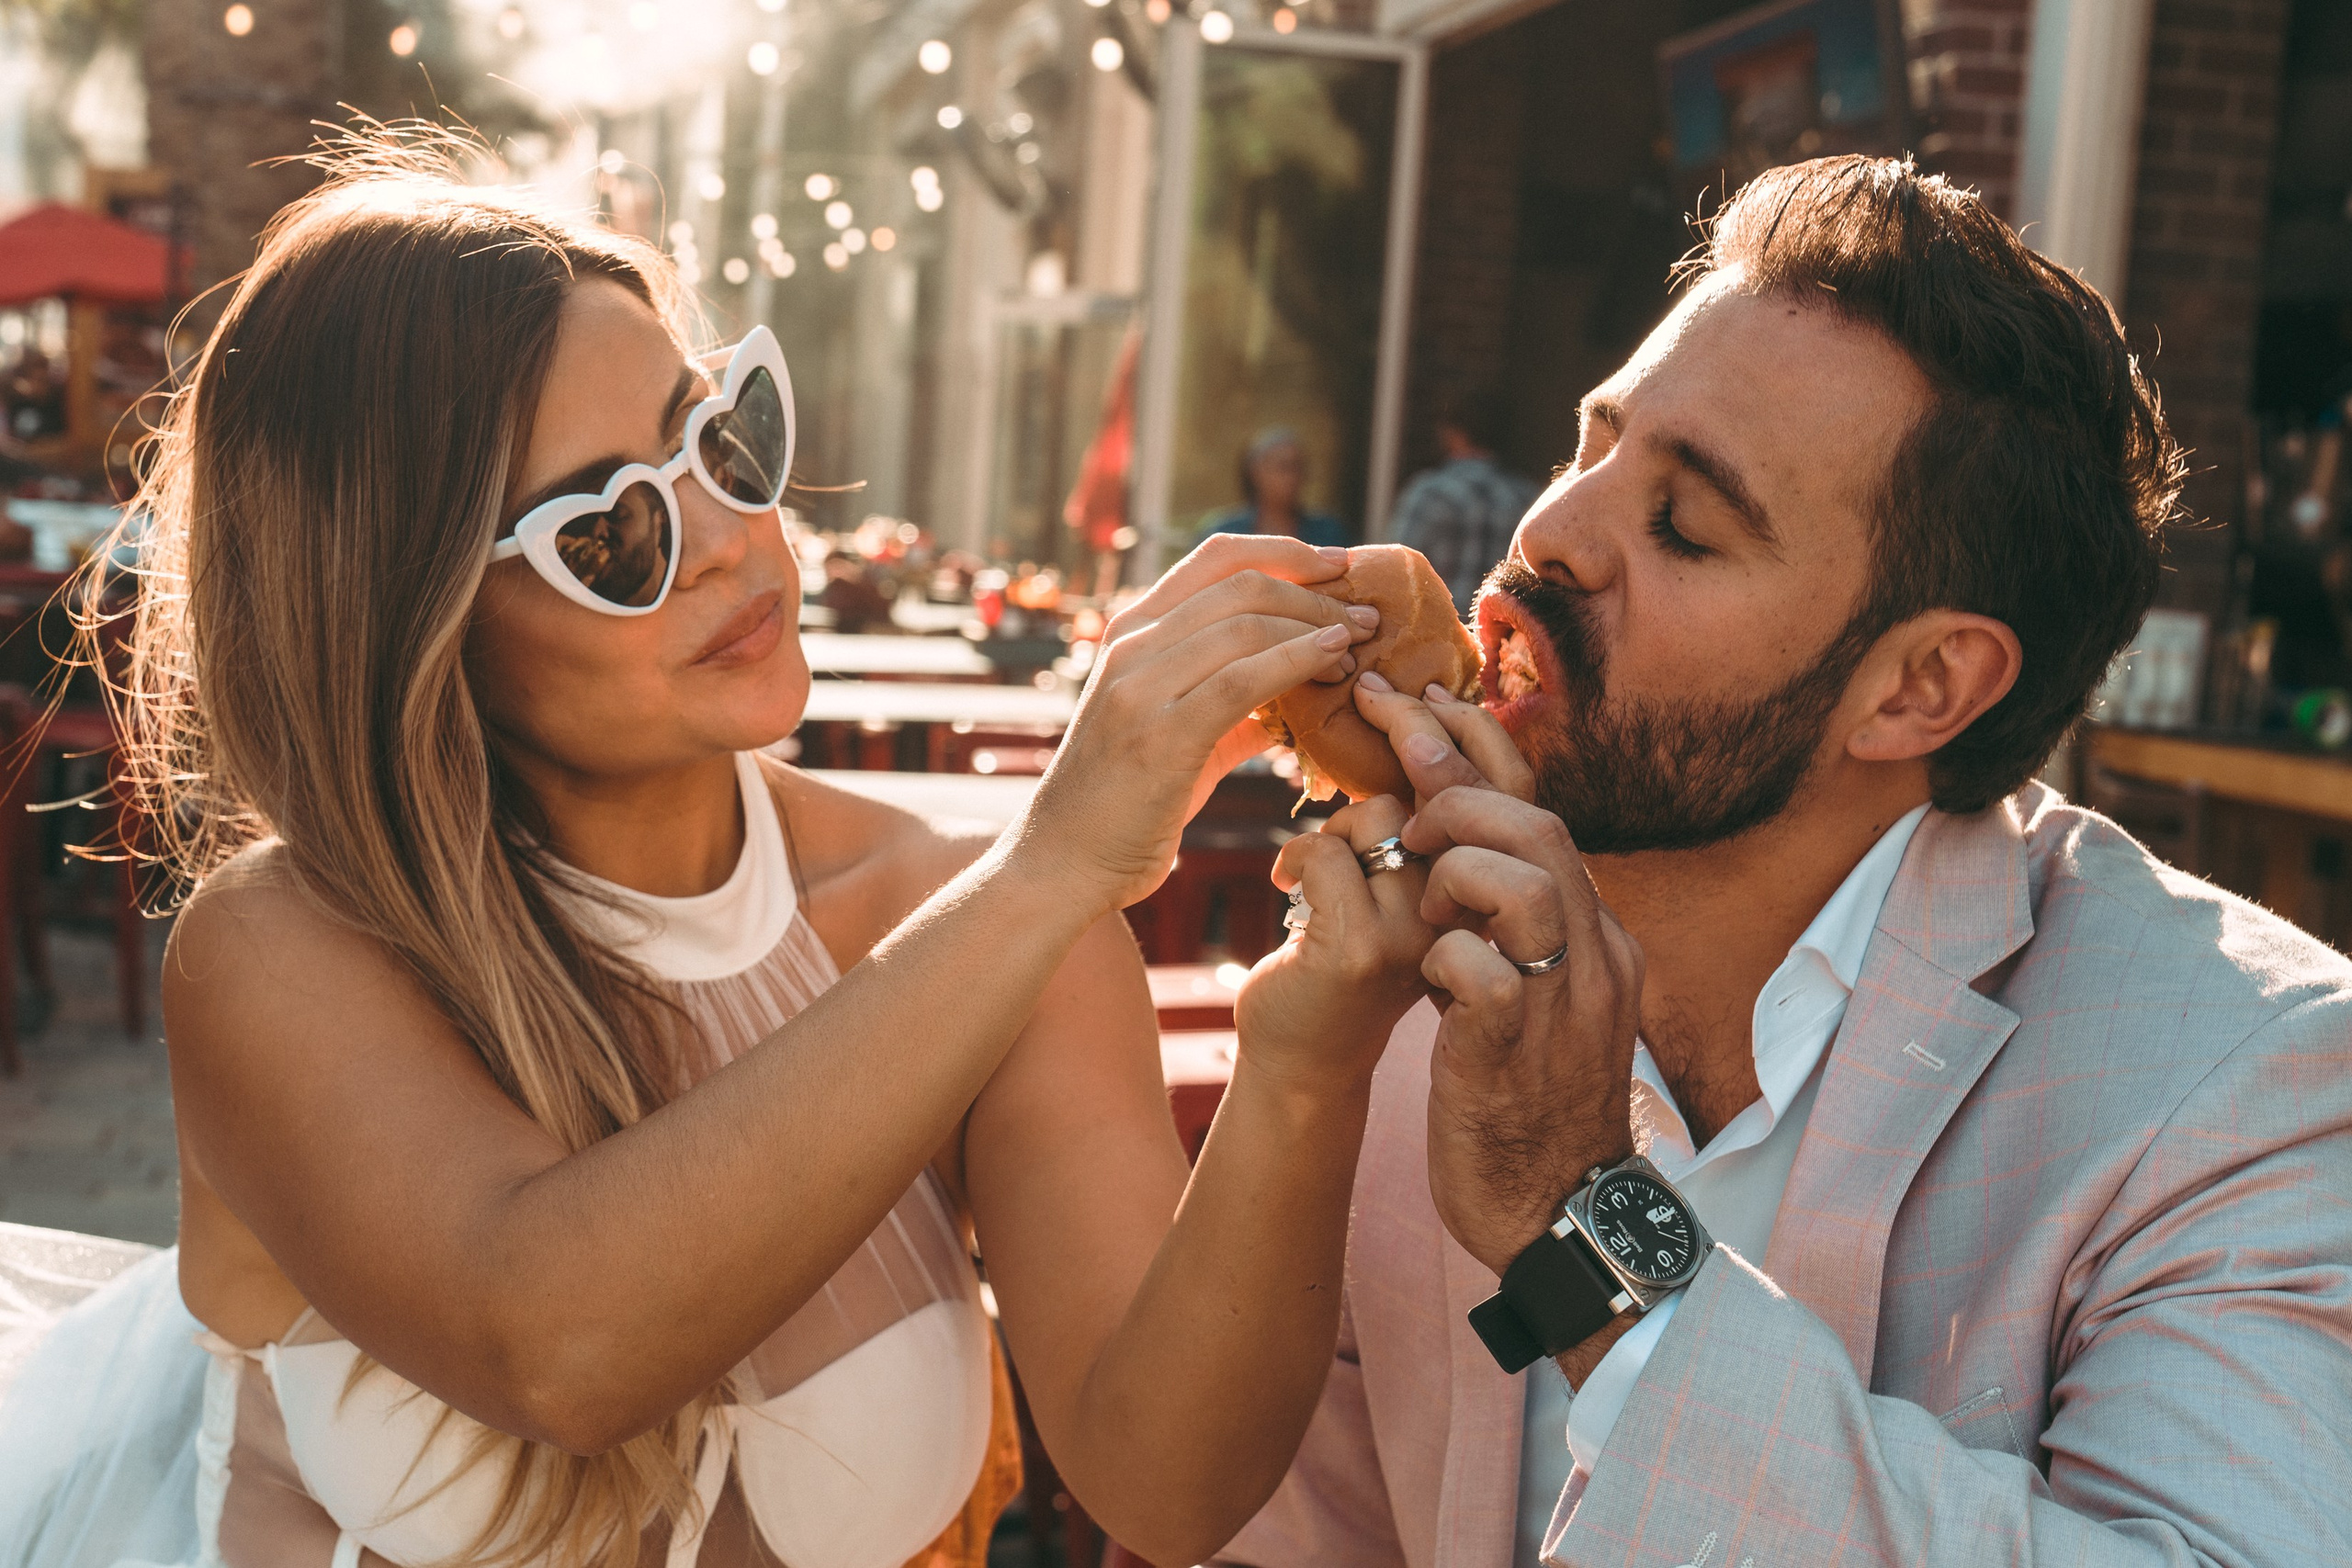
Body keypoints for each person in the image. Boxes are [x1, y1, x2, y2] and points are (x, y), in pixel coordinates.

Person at [0, 142, 1442, 1568]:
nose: (726, 532)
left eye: (719, 436)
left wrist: (1304, 1065)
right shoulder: (283, 951)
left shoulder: (964, 905)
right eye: (610, 529)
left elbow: (1168, 1483)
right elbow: (554, 1341)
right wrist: (1049, 867)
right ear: (408, 616)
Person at [1222, 155, 2352, 1566]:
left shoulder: (2248, 1075)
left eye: (1683, 523)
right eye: (1591, 449)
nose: (1546, 535)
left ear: (1920, 686)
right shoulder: (1411, 967)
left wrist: (1592, 1235)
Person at [1391, 389, 1540, 615]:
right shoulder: (1529, 498)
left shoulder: (1429, 493)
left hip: (1437, 639)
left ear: (1454, 433)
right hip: (1498, 641)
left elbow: (1394, 574)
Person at [1197, 427, 1349, 550]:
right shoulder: (1223, 534)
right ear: (1255, 472)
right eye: (1283, 467)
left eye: (1298, 467)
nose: (1292, 477)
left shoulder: (1328, 532)